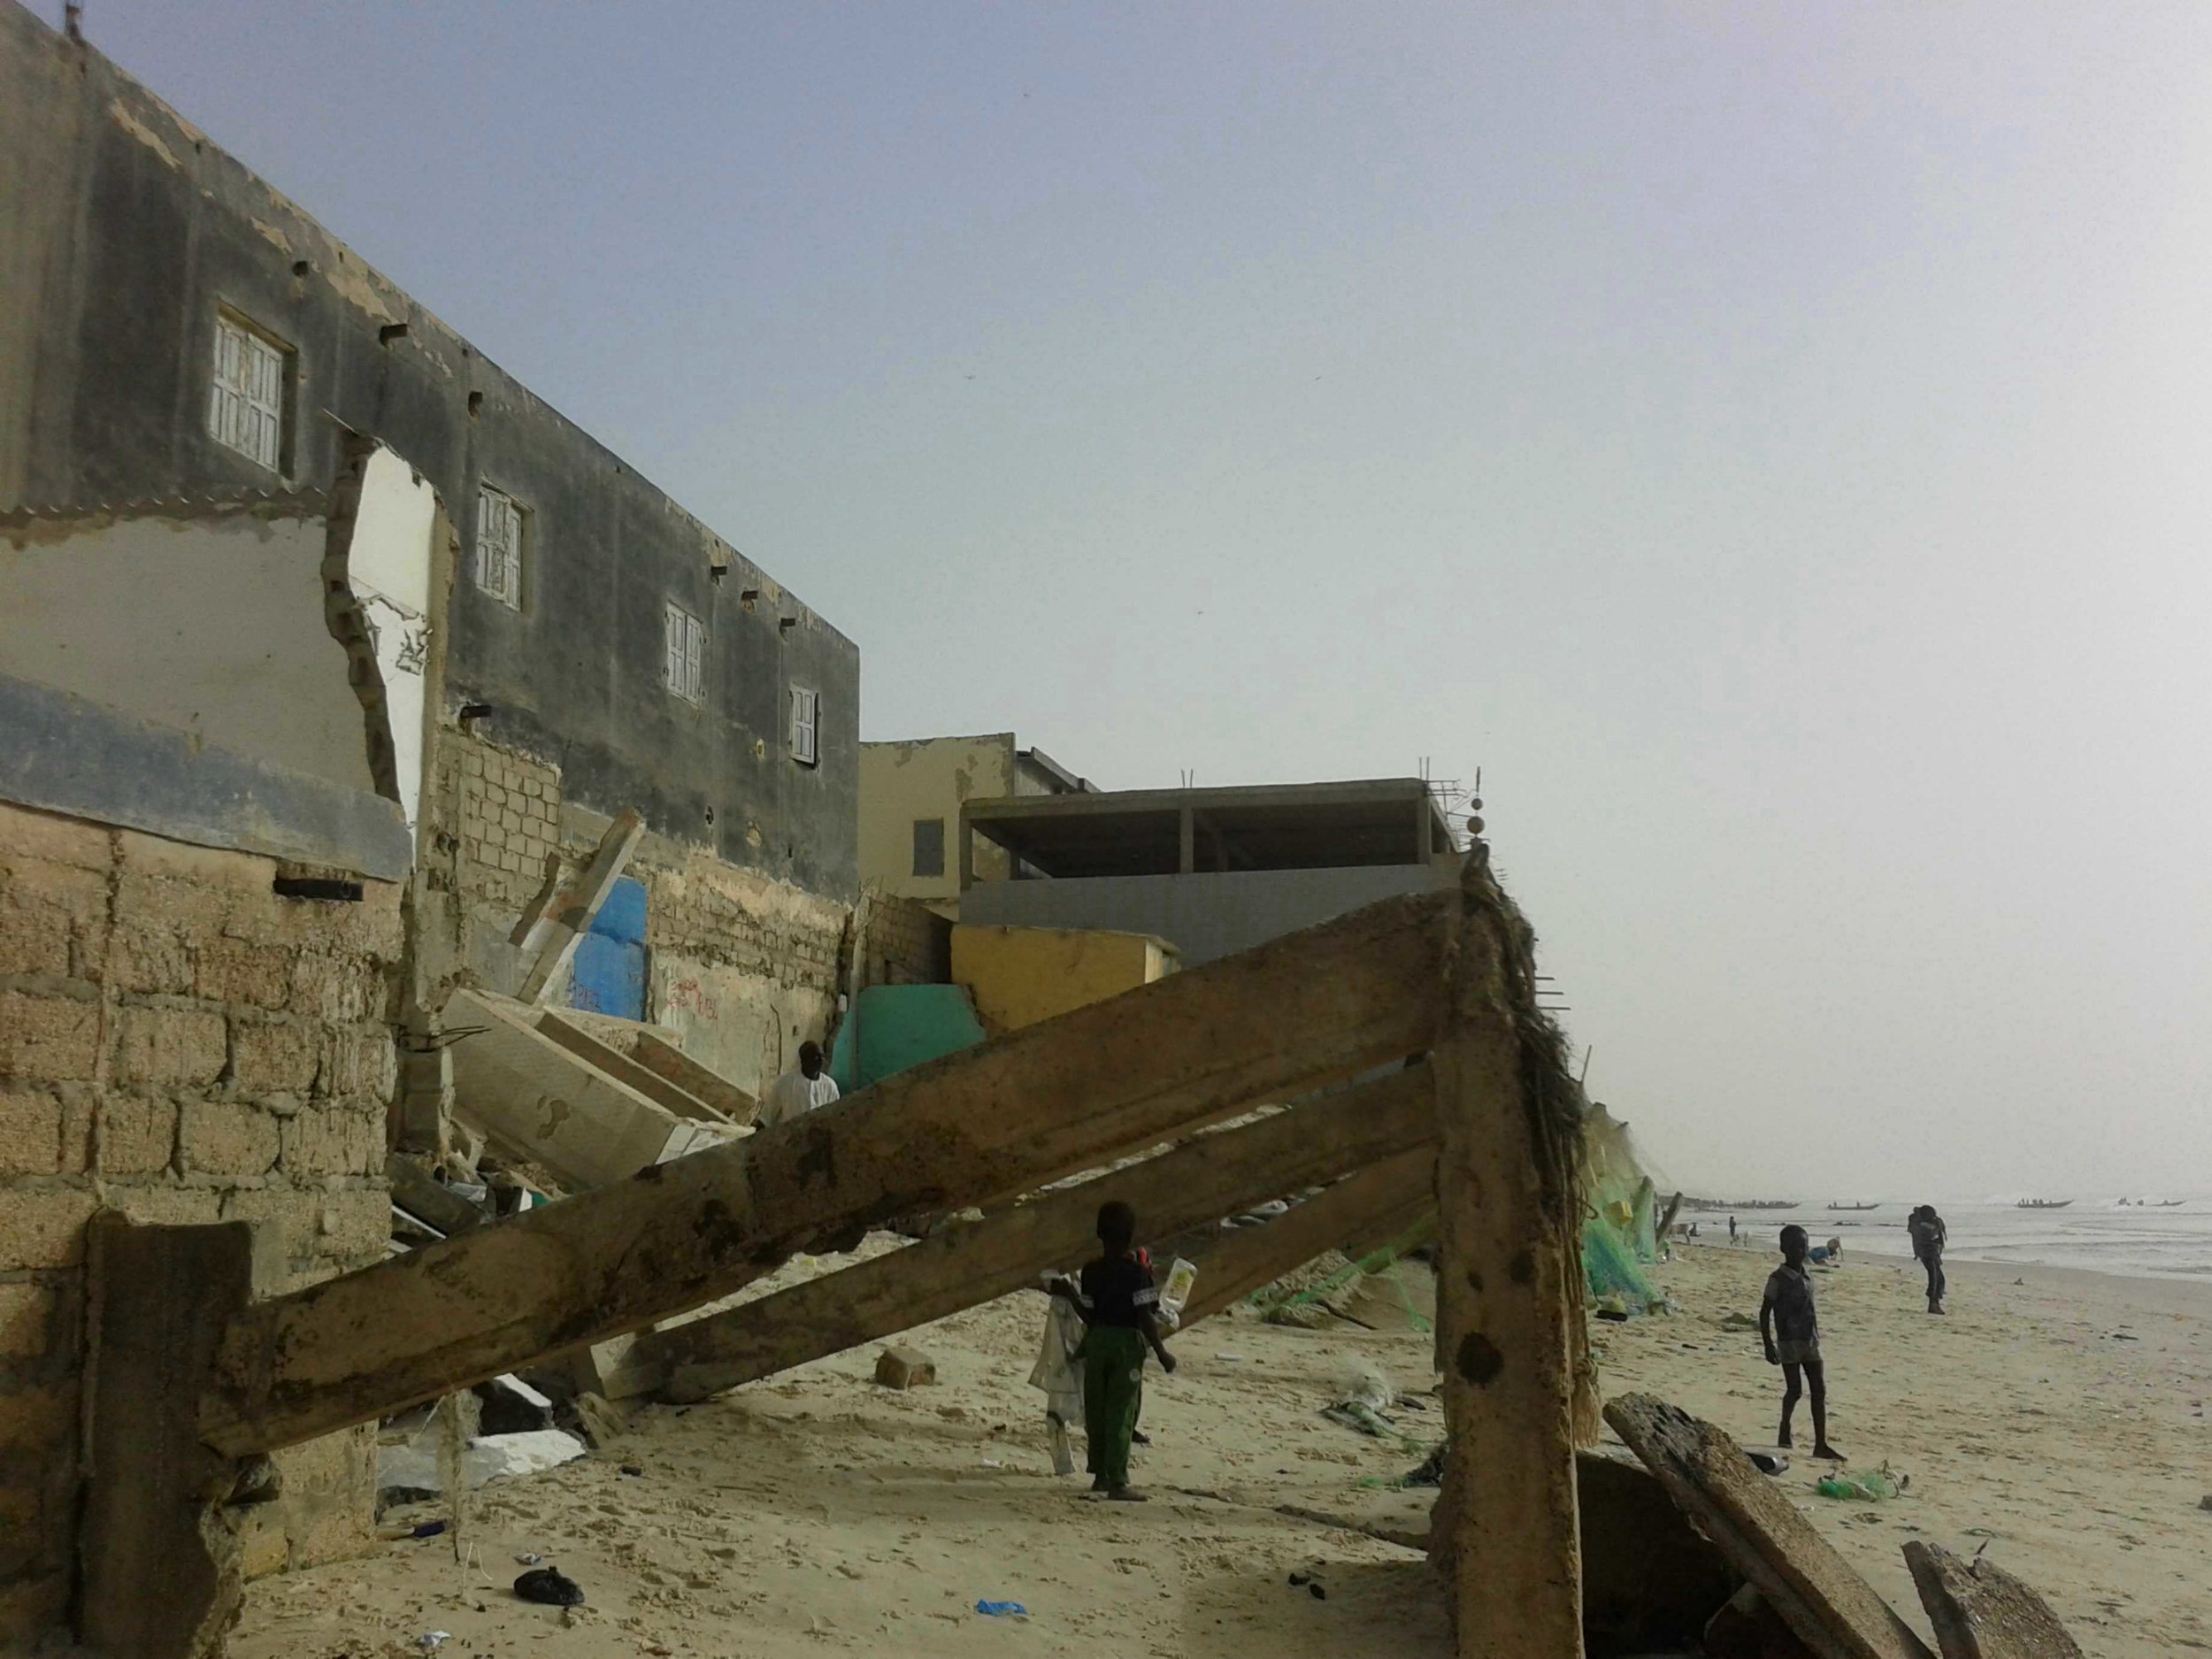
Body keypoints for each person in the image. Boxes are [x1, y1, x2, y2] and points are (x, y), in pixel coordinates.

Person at [1049, 1200, 1176, 1501]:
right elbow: (1145, 1316)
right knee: (1121, 1411)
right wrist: (1162, 1352)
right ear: (1131, 1237)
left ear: (1098, 1233)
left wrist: (1069, 1292)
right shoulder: (1137, 1273)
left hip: (1097, 1342)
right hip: (1124, 1346)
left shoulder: (1091, 1271)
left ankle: (1100, 1475)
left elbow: (1089, 1316)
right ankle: (1119, 1481)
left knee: (1098, 1410)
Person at [1760, 1225, 1841, 1460]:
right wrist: (1768, 1343)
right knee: (1794, 1390)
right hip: (1789, 1342)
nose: (1800, 1250)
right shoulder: (1777, 1279)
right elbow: (1765, 1312)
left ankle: (1821, 1444)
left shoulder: (1807, 1275)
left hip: (1810, 1340)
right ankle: (1785, 1425)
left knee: (1819, 1390)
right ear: (1784, 1249)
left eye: (1803, 1246)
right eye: (1795, 1247)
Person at [760, 1040, 839, 1129]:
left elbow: (835, 1116)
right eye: (816, 1057)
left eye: (822, 1056)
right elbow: (766, 1117)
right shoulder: (785, 1083)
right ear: (803, 1059)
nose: (821, 1060)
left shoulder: (830, 1086)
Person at [1909, 1205, 1947, 1315]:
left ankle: (1934, 1303)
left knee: (1937, 1278)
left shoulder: (1920, 1224)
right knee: (1936, 1278)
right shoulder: (1924, 1226)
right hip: (1929, 1254)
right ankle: (1933, 1304)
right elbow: (1931, 1236)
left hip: (1928, 1253)